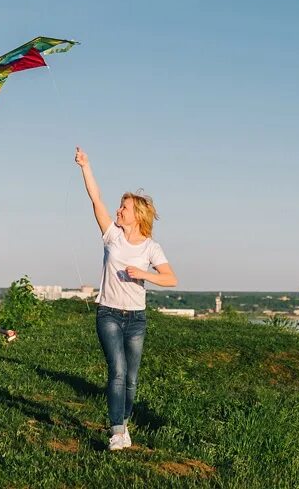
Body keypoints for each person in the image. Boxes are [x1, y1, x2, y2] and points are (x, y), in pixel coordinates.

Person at [74, 147, 177, 451]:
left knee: (131, 379)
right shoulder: (111, 234)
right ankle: (117, 430)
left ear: (138, 215)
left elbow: (171, 278)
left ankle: (124, 418)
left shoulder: (150, 247)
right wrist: (85, 165)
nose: (118, 211)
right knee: (117, 371)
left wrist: (143, 274)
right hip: (108, 314)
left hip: (136, 318)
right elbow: (96, 199)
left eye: (124, 208)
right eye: (119, 207)